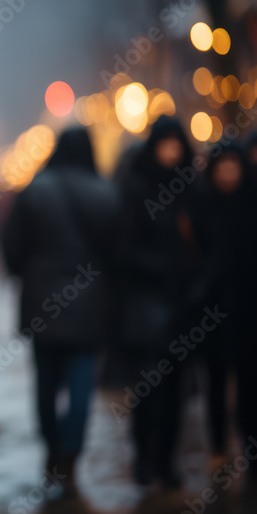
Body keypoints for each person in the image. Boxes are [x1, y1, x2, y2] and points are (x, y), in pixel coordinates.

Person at [1, 126, 119, 497]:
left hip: (42, 303)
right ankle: (70, 455)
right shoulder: (106, 193)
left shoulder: (35, 190)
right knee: (82, 384)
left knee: (45, 384)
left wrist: (29, 275)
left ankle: (51, 450)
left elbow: (11, 248)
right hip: (90, 306)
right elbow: (117, 254)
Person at [114, 115, 209, 490]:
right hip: (147, 306)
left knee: (177, 391)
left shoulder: (193, 190)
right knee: (148, 388)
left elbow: (206, 241)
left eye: (176, 144)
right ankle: (143, 459)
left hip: (184, 307)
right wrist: (163, 268)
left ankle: (167, 462)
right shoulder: (137, 188)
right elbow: (125, 248)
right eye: (164, 144)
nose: (170, 152)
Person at [201, 141, 254, 470]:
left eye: (234, 165)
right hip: (211, 314)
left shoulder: (251, 202)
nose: (228, 172)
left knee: (249, 384)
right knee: (216, 383)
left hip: (248, 312)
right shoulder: (202, 205)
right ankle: (218, 447)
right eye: (222, 165)